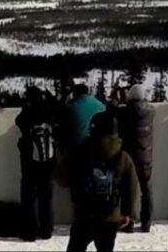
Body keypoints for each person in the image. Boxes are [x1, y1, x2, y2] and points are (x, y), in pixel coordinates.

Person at [58, 113, 138, 252]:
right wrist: (128, 213)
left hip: (83, 215)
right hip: (110, 217)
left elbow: (62, 179)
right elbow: (131, 187)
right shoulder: (123, 157)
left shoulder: (80, 152)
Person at [15, 85, 60, 241]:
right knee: (46, 195)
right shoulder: (49, 111)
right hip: (49, 159)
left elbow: (18, 121)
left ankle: (29, 231)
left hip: (29, 160)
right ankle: (46, 229)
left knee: (29, 195)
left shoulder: (28, 111)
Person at [115, 83, 154, 232]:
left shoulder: (124, 112)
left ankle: (129, 222)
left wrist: (118, 98)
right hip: (146, 156)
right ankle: (146, 222)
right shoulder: (151, 111)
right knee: (147, 189)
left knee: (127, 190)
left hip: (128, 157)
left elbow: (111, 109)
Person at [66, 83, 107, 148]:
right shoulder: (99, 104)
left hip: (78, 145)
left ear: (74, 93)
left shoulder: (72, 106)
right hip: (99, 144)